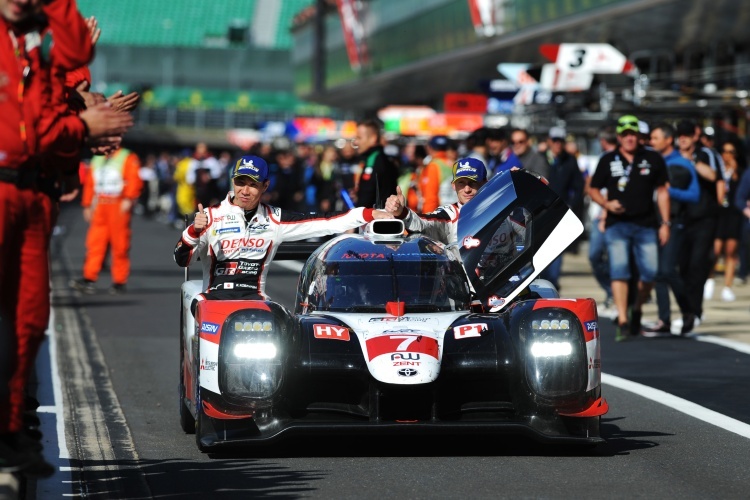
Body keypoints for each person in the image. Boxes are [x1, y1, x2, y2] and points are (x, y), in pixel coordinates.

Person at [0, 0, 101, 477]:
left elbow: (75, 57)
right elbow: (40, 129)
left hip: (34, 192)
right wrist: (83, 128)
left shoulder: (35, 45)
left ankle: (13, 427)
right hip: (7, 186)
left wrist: (82, 130)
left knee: (30, 317)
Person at [174, 155, 394, 310]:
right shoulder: (209, 217)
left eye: (252, 184)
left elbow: (325, 221)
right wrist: (194, 230)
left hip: (256, 302)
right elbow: (181, 259)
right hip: (213, 302)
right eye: (240, 183)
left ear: (265, 186)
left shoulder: (274, 219)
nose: (244, 190)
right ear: (232, 182)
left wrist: (368, 213)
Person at [588, 115, 670, 341]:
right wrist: (605, 204)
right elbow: (593, 188)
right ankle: (623, 319)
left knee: (650, 273)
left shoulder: (652, 158)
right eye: (625, 134)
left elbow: (662, 191)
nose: (629, 138)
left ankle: (638, 306)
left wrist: (665, 223)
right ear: (619, 136)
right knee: (619, 271)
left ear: (638, 135)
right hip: (617, 224)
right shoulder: (608, 159)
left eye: (632, 134)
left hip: (646, 224)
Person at [642, 122, 700, 335]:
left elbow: (694, 195)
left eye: (655, 138)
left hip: (675, 222)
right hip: (652, 223)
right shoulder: (651, 162)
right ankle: (664, 320)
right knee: (657, 273)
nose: (651, 142)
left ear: (668, 140)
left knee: (666, 270)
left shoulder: (682, 164)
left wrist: (669, 190)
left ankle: (688, 310)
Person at [69, 146, 143, 294]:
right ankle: (89, 278)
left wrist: (129, 198)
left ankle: (119, 281)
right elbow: (90, 183)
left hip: (118, 203)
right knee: (95, 242)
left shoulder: (126, 156)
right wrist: (87, 205)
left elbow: (134, 179)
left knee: (120, 243)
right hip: (100, 204)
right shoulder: (97, 159)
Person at [384, 156, 488, 245]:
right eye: (461, 183)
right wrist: (402, 213)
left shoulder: (499, 208)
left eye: (473, 183)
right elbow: (425, 223)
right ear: (453, 185)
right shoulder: (450, 214)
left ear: (485, 183)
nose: (467, 189)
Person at [540, 126, 585, 290]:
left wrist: (572, 205)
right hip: (539, 210)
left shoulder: (570, 160)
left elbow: (579, 186)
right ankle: (543, 281)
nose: (558, 144)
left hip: (560, 211)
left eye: (561, 141)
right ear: (549, 141)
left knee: (556, 248)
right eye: (555, 141)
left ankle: (552, 282)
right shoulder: (542, 158)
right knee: (539, 249)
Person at [704, 138, 746, 302]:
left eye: (731, 152)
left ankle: (727, 286)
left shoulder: (740, 172)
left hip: (733, 215)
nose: (728, 155)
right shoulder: (716, 170)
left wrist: (735, 173)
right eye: (725, 151)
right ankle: (710, 279)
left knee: (731, 251)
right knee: (715, 249)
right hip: (718, 213)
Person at [352, 118, 399, 208]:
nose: (356, 142)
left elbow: (366, 198)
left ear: (373, 138)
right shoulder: (379, 158)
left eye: (359, 138)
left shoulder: (374, 160)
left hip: (376, 219)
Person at [420, 135, 457, 213]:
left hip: (441, 214)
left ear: (430, 148)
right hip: (456, 211)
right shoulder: (456, 164)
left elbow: (431, 196)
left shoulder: (434, 166)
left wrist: (428, 217)